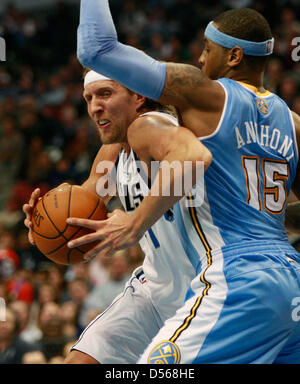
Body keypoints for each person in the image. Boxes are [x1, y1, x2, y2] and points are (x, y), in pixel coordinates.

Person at [75, 2, 300, 363]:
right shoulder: (291, 122)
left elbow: (96, 49)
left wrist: (135, 222)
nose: (199, 60)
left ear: (234, 56)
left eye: (207, 50)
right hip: (291, 280)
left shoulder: (206, 95)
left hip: (236, 277)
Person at [23, 70, 212, 363]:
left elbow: (193, 157)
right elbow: (84, 206)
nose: (94, 106)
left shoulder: (151, 126)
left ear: (139, 96)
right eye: (89, 98)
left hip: (206, 290)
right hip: (154, 292)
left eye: (105, 94)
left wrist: (136, 221)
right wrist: (44, 221)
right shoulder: (113, 151)